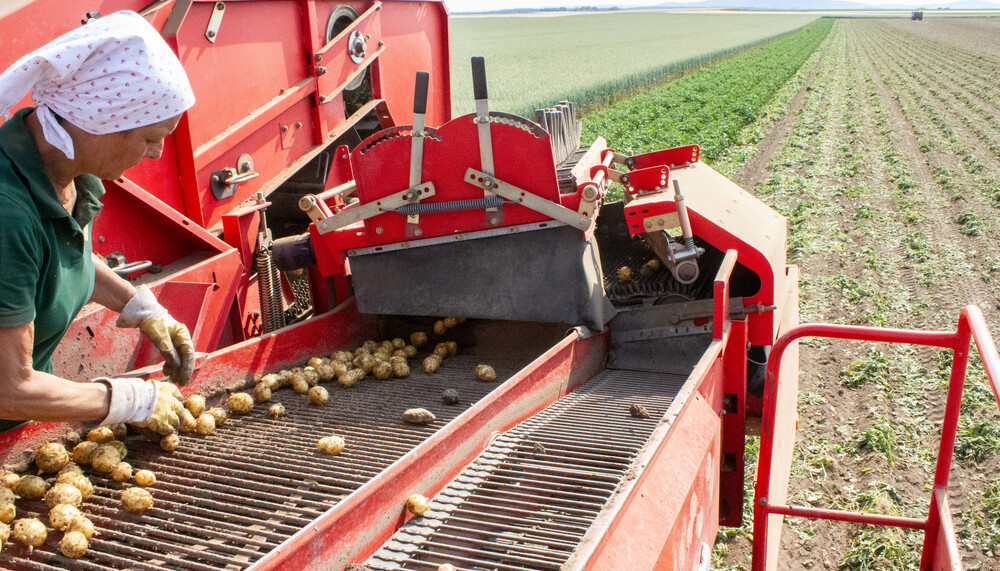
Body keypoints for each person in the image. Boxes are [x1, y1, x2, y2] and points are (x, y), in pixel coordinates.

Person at [0, 11, 198, 434]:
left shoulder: (68, 177)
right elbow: (8, 388)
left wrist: (139, 306)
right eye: (149, 137)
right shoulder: (7, 214)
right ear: (101, 121)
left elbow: (62, 260)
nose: (157, 154)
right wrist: (128, 399)